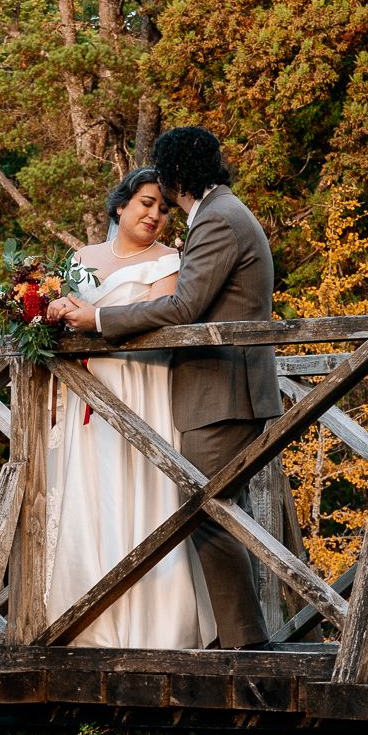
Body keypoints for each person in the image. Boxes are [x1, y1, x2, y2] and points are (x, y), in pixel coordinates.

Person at [47, 127, 280, 649]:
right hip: (217, 388)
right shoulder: (220, 213)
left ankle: (244, 642)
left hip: (224, 388)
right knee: (214, 510)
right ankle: (239, 637)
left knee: (204, 507)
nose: (158, 209)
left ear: (176, 175)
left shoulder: (219, 219)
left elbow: (184, 308)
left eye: (163, 193)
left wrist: (98, 319)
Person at [42, 167, 216, 650]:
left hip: (140, 388)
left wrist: (88, 321)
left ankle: (153, 626)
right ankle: (84, 622)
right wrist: (53, 312)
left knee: (141, 492)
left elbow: (155, 326)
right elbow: (67, 314)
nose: (154, 215)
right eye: (145, 203)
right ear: (120, 205)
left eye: (163, 209)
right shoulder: (80, 258)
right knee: (91, 493)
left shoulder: (169, 264)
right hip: (86, 392)